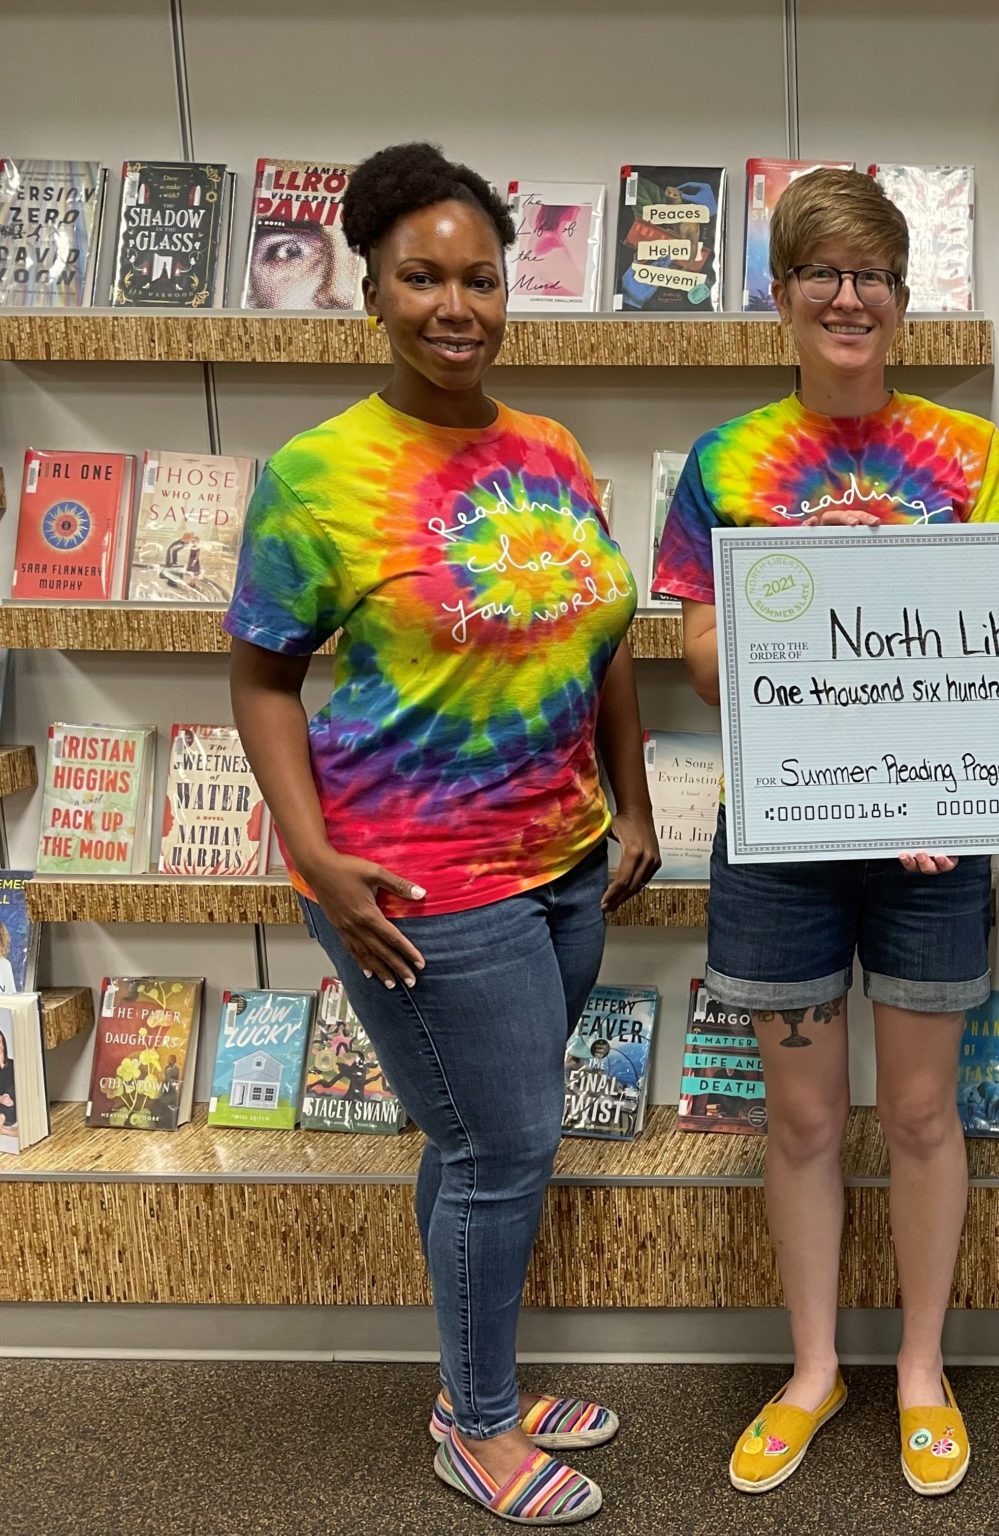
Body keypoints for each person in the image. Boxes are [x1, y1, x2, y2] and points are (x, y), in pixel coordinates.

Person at [226, 142, 657, 1527]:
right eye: (423, 276)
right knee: (503, 1146)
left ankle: (476, 1382)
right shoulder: (318, 475)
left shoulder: (549, 449)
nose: (455, 303)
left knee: (475, 1142)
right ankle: (477, 1426)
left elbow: (606, 637)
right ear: (371, 287)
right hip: (415, 881)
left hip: (564, 861)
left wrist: (634, 803)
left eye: (479, 276)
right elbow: (260, 676)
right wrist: (315, 858)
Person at [651, 167, 999, 1499]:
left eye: (873, 274)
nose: (849, 297)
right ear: (780, 295)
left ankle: (921, 1367)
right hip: (784, 838)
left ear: (906, 298)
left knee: (924, 1116)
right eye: (822, 273)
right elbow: (703, 656)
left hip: (936, 838)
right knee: (804, 1122)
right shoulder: (727, 463)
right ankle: (813, 1368)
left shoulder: (974, 456)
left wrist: (926, 773)